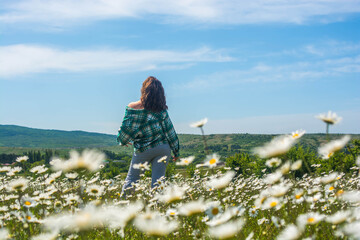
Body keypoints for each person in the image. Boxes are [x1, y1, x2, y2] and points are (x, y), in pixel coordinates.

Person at [117, 76, 180, 197]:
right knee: (158, 182)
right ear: (160, 94)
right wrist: (176, 151)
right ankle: (158, 208)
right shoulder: (161, 111)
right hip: (162, 149)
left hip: (142, 150)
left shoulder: (133, 108)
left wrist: (122, 141)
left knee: (132, 179)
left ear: (144, 91)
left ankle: (123, 204)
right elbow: (170, 132)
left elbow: (125, 131)